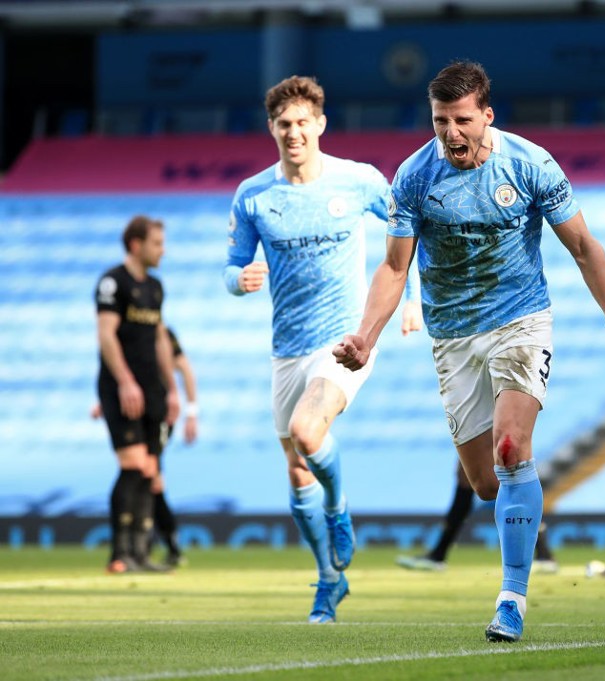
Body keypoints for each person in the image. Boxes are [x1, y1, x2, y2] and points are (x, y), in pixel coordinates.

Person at [334, 60, 605, 643]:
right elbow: (394, 267)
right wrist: (366, 336)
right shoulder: (412, 177)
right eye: (439, 122)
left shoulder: (529, 164)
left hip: (519, 321)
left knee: (511, 448)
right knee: (484, 483)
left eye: (461, 121)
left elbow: (583, 247)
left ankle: (511, 600)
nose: (450, 134)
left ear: (487, 116)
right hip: (452, 334)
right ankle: (520, 513)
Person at [224, 75, 420, 624]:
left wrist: (413, 299)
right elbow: (231, 265)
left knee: (310, 434)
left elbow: (412, 228)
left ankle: (338, 510)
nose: (293, 132)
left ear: (320, 125)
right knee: (296, 469)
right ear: (272, 128)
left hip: (345, 338)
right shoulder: (254, 195)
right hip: (287, 347)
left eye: (302, 123)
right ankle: (330, 581)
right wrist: (238, 281)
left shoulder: (357, 182)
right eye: (284, 124)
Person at [95, 215, 181, 574]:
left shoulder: (156, 288)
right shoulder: (113, 282)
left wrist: (172, 389)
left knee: (149, 468)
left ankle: (141, 553)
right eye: (157, 243)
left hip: (153, 389)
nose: (162, 250)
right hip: (122, 387)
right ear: (136, 244)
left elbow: (160, 339)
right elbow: (106, 335)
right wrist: (125, 381)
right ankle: (119, 553)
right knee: (132, 465)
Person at [91, 325, 198, 567]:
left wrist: (192, 411)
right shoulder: (125, 333)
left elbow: (185, 369)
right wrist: (105, 402)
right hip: (135, 407)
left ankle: (144, 549)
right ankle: (139, 550)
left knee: (151, 474)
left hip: (159, 412)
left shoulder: (163, 335)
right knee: (149, 475)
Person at [395, 460, 559, 573]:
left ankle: (543, 553)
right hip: (477, 417)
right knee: (468, 476)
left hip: (487, 419)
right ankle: (438, 553)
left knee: (497, 480)